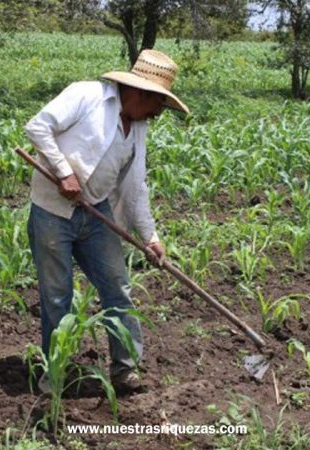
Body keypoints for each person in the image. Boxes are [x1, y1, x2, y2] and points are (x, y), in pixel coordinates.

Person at [25, 49, 189, 393]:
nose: (159, 113)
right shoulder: (87, 96)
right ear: (142, 93)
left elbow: (135, 187)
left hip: (96, 214)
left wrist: (151, 237)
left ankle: (125, 369)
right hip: (52, 214)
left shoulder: (138, 127)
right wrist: (64, 172)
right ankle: (54, 377)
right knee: (57, 297)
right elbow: (38, 127)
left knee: (118, 289)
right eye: (158, 104)